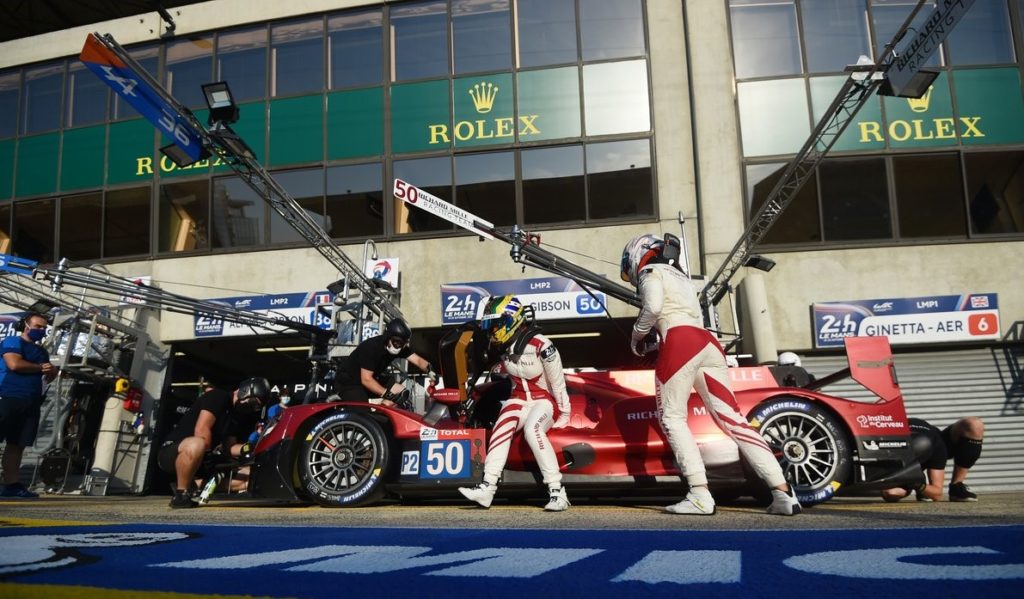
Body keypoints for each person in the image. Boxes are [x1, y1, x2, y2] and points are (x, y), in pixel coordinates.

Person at [620, 234, 801, 516]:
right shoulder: (682, 277)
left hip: (679, 343)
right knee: (734, 419)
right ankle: (783, 493)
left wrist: (636, 335)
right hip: (707, 343)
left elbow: (654, 308)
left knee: (672, 418)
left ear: (637, 254)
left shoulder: (649, 271)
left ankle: (699, 494)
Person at [458, 295, 573, 512]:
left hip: (543, 401)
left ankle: (558, 491)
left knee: (533, 429)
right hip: (517, 399)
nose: (492, 331)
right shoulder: (501, 349)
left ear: (511, 321)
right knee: (501, 426)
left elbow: (558, 384)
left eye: (495, 325)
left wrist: (564, 415)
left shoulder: (543, 345)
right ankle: (487, 487)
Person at [157, 376, 270, 508]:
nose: (252, 408)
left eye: (256, 407)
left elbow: (230, 447)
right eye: (253, 403)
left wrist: (250, 448)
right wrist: (210, 455)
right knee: (197, 444)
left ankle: (197, 484)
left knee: (248, 476)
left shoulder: (237, 416)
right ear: (245, 392)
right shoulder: (218, 397)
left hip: (203, 458)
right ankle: (181, 494)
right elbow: (202, 428)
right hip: (174, 451)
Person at [0, 313, 58, 499]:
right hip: (7, 396)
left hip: (30, 401)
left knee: (17, 444)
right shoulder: (12, 341)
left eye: (43, 328)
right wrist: (42, 368)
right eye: (37, 326)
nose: (40, 330)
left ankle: (11, 485)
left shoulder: (42, 352)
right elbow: (14, 364)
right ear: (26, 325)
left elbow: (47, 376)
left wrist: (52, 372)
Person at [334, 318, 436, 408]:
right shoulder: (371, 347)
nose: (398, 346)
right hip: (350, 383)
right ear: (388, 337)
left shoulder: (400, 348)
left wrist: (430, 371)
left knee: (401, 392)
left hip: (370, 380)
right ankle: (370, 421)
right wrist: (388, 395)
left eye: (402, 344)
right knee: (363, 416)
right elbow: (366, 380)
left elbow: (418, 360)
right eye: (396, 341)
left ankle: (380, 415)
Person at [881, 416, 984, 503]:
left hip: (934, 440)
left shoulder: (936, 446)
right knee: (891, 492)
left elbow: (937, 494)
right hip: (891, 448)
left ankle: (956, 486)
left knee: (974, 424)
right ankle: (920, 487)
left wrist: (918, 484)